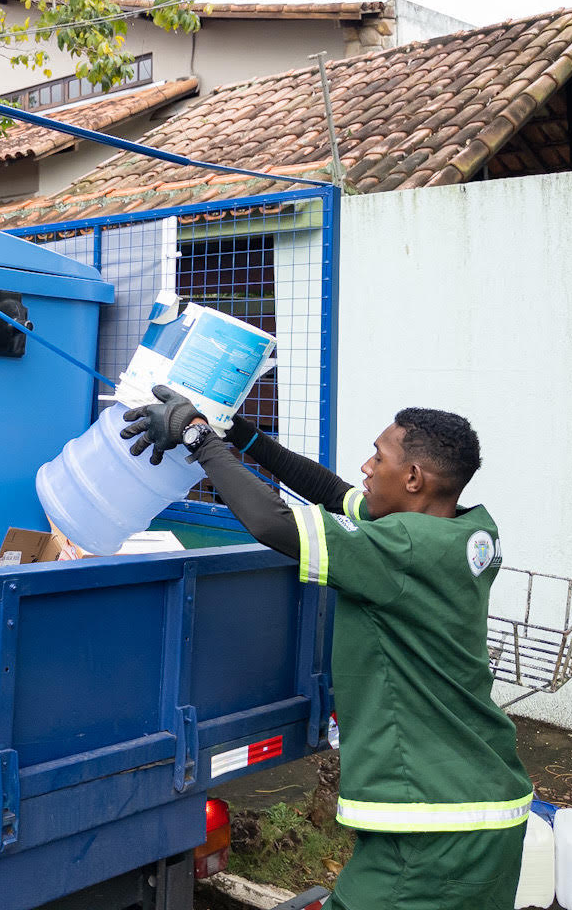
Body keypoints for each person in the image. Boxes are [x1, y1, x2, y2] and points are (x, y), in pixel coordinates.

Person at [121, 387, 531, 910]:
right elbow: (329, 490)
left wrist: (200, 438)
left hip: (436, 823)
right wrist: (240, 436)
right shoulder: (465, 531)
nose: (365, 465)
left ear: (413, 479)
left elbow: (272, 522)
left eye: (377, 457)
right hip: (484, 800)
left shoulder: (402, 548)